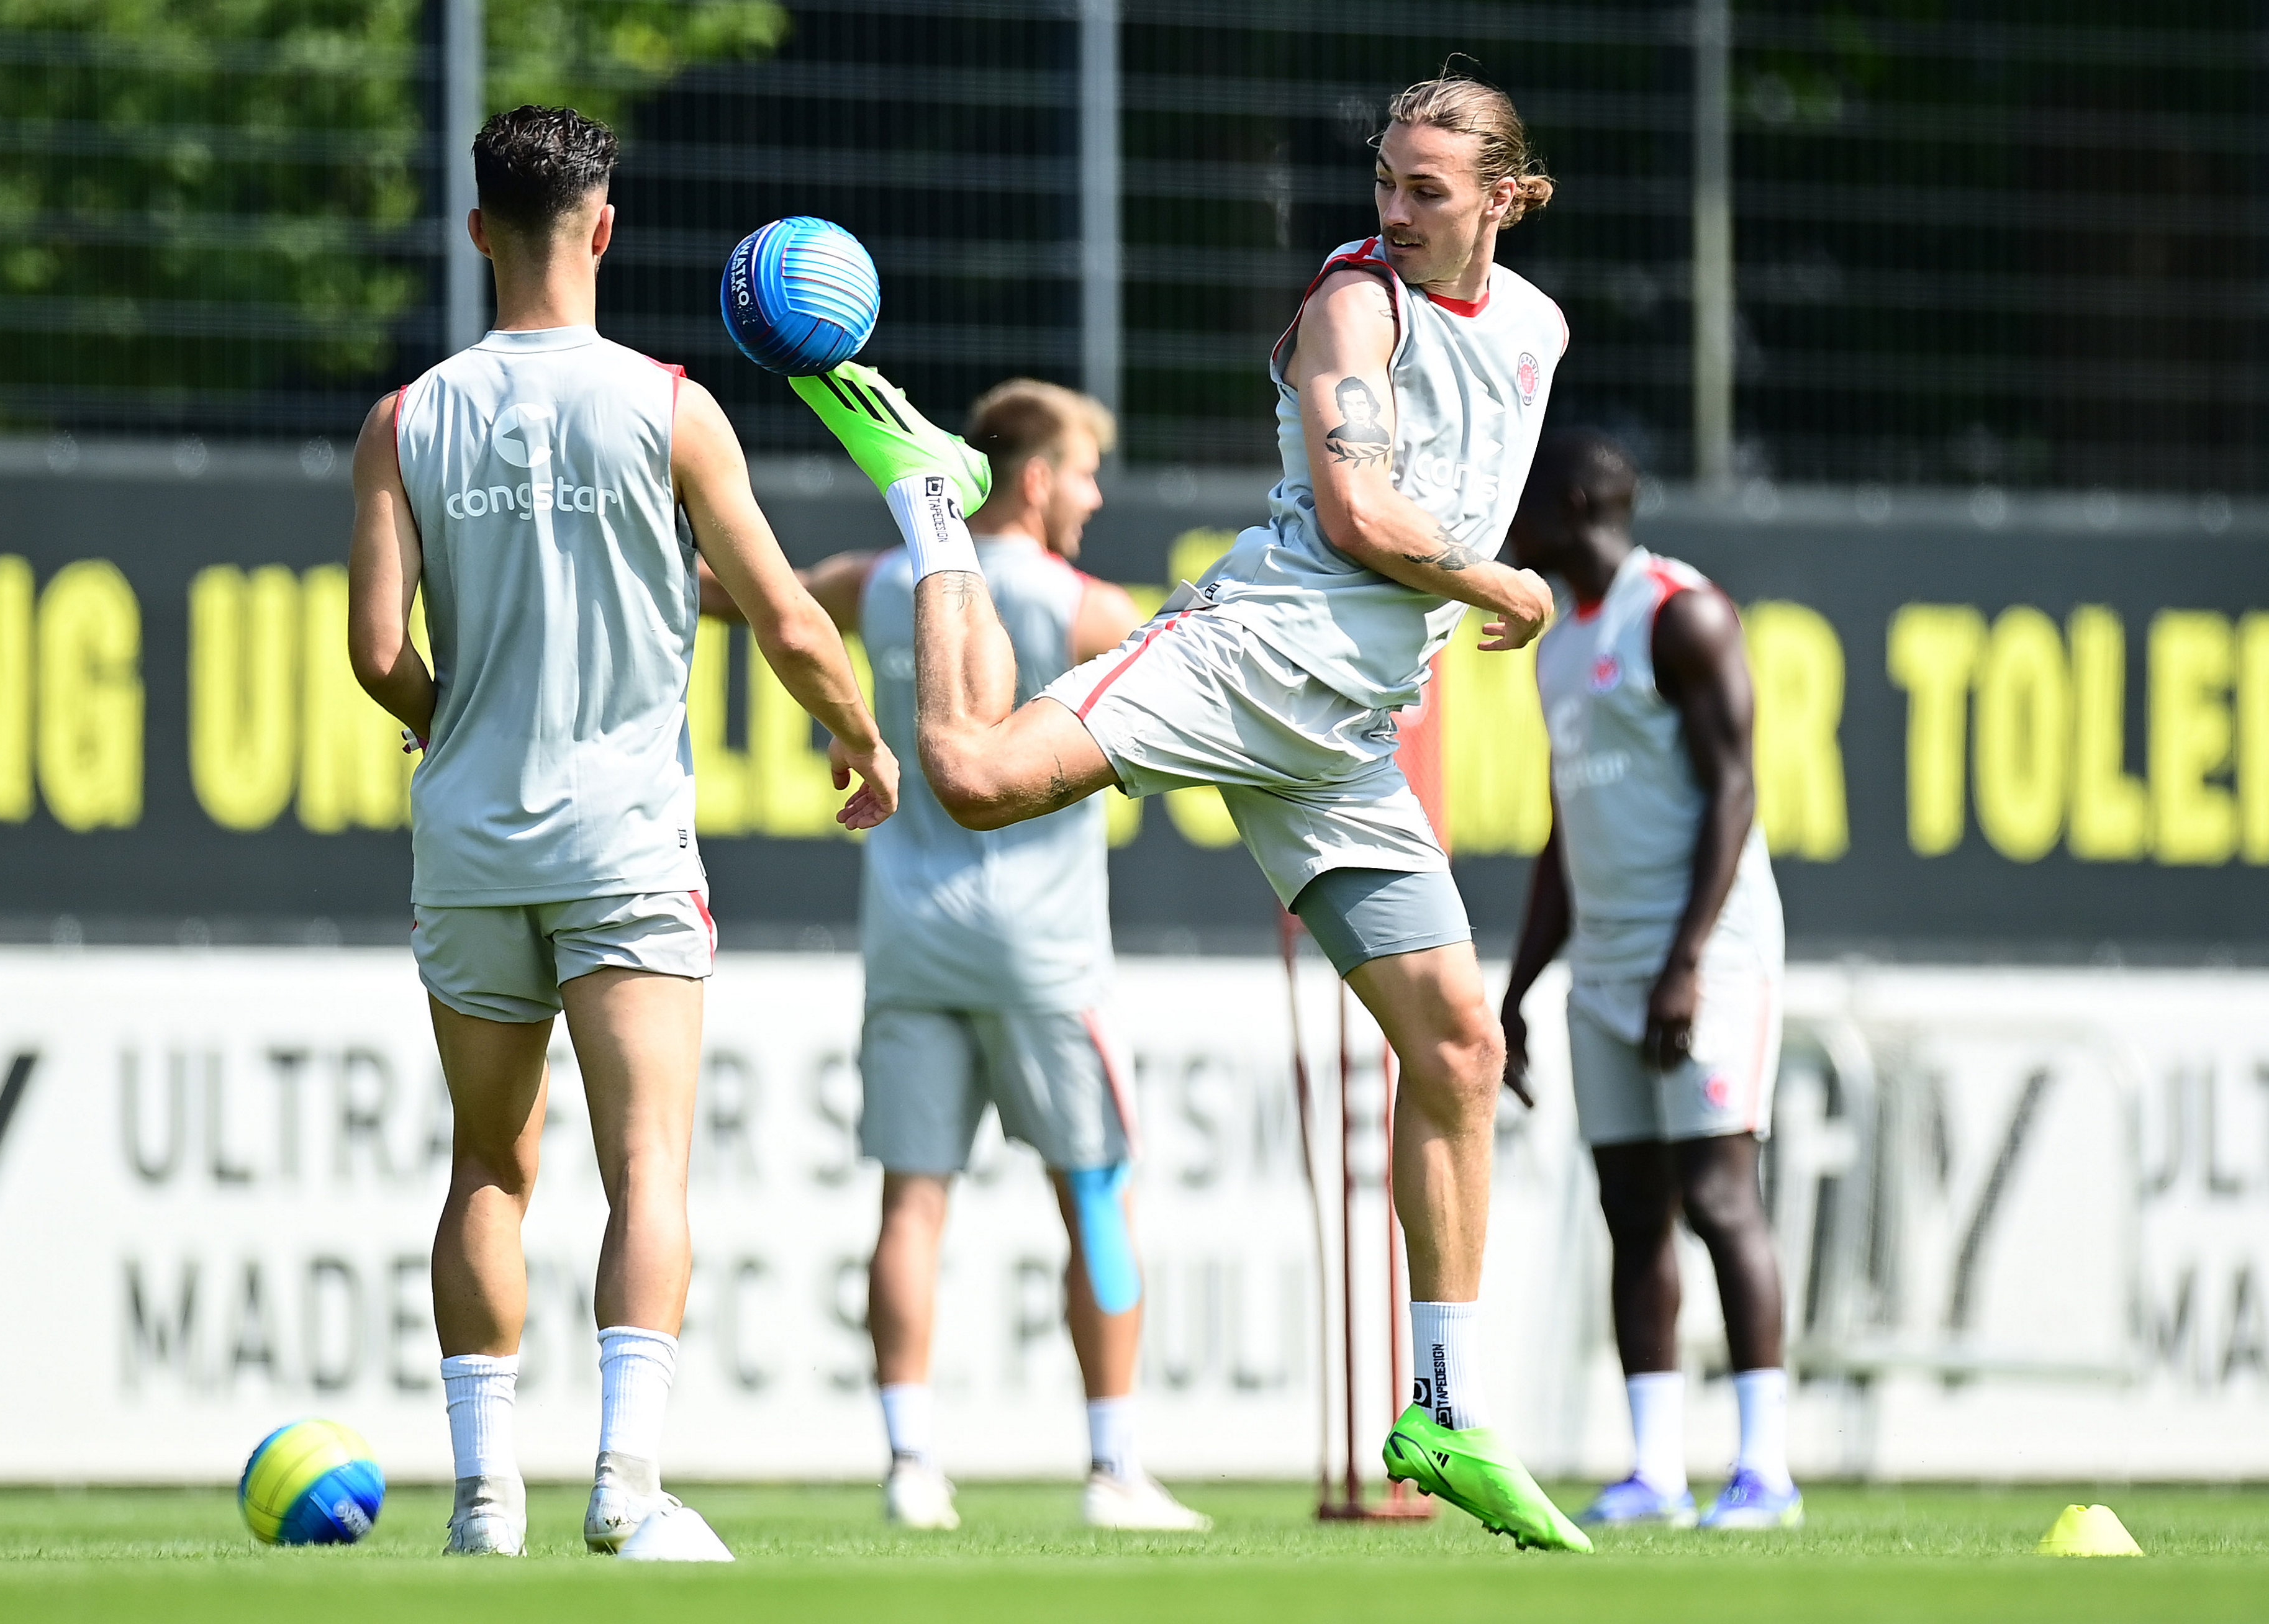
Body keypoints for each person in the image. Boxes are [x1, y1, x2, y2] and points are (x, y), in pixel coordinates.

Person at [782, 75, 1592, 1552]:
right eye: (1383, 182)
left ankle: (1443, 1408)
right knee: (968, 780)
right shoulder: (1358, 304)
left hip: (1346, 734)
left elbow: (1448, 498)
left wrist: (1473, 581)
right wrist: (1502, 584)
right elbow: (1355, 520)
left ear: (1507, 197)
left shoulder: (1532, 328)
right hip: (1253, 651)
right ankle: (930, 500)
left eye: (1426, 190)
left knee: (1458, 1048)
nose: (1391, 212)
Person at [347, 104, 896, 1559]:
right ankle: (625, 1486)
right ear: (603, 227)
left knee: (485, 1165)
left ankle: (482, 1501)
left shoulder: (404, 420)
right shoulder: (667, 408)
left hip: (468, 840)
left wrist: (437, 719)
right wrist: (857, 730)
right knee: (647, 1169)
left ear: (477, 232)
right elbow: (784, 613)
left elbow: (373, 649)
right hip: (623, 846)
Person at [699, 381, 1207, 1532]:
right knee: (1094, 1193)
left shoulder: (879, 582)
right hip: (1044, 950)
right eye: (1082, 472)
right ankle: (1114, 1468)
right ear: (1032, 479)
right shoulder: (1084, 606)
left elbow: (734, 596)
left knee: (911, 1205)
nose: (1089, 495)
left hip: (913, 936)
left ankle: (910, 1462)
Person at [1496, 430, 1800, 1531]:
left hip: (1705, 960)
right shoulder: (1555, 644)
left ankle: (1765, 1468)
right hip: (1605, 967)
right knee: (1632, 1213)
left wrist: (1682, 966)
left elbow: (1733, 795)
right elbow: (1560, 835)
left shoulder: (1680, 614)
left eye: (1522, 499)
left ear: (1574, 502)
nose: (1506, 518)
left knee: (1721, 1200)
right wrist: (1521, 989)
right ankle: (1655, 1471)